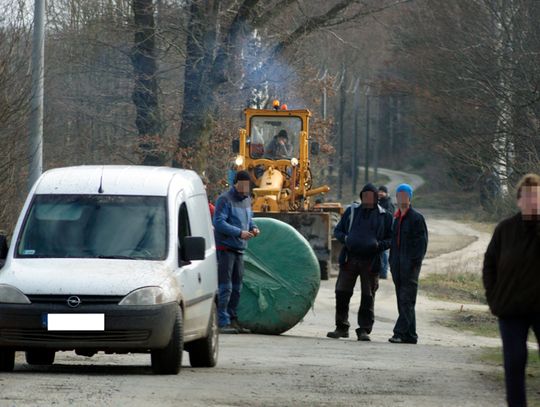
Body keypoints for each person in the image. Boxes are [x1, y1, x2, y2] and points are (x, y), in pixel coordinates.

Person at [482, 173, 540, 407]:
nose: (532, 202)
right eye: (527, 197)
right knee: (514, 361)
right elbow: (489, 265)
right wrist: (493, 298)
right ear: (518, 200)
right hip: (510, 308)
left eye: (536, 197)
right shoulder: (505, 230)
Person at [327, 183, 393, 341]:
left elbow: (390, 239)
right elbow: (338, 231)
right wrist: (347, 239)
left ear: (376, 198)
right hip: (350, 259)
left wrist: (378, 245)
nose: (368, 199)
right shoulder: (351, 211)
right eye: (365, 196)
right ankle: (341, 327)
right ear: (361, 196)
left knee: (368, 296)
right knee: (342, 293)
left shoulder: (385, 216)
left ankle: (363, 330)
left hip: (371, 262)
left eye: (371, 196)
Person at [213, 170, 260, 334]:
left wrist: (253, 227)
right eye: (243, 185)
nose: (246, 189)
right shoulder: (224, 199)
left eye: (248, 186)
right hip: (226, 248)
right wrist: (239, 232)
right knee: (225, 287)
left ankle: (233, 319)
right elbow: (218, 222)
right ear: (236, 183)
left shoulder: (247, 200)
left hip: (240, 249)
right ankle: (221, 321)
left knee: (237, 287)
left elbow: (249, 219)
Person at [388, 183, 428, 345]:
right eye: (399, 195)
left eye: (405, 195)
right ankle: (411, 335)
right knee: (402, 300)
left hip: (410, 268)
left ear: (410, 198)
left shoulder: (417, 218)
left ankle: (399, 333)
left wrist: (414, 264)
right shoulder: (396, 218)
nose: (402, 198)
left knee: (407, 299)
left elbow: (422, 245)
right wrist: (392, 262)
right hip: (397, 266)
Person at [378, 185, 395, 279]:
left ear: (386, 193)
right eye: (379, 191)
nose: (380, 193)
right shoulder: (380, 202)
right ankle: (380, 271)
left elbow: (389, 218)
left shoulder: (388, 204)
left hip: (385, 231)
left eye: (382, 191)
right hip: (380, 231)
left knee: (384, 252)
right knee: (381, 253)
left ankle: (384, 273)